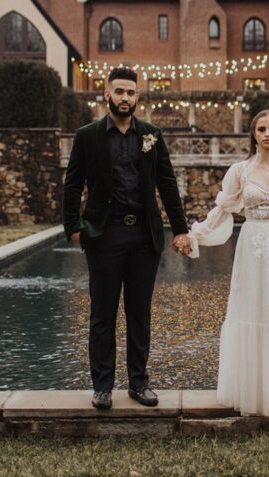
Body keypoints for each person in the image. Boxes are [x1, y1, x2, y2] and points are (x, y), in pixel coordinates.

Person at [176, 109, 269, 416]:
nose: (267, 134)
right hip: (251, 248)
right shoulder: (240, 171)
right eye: (261, 129)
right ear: (254, 134)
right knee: (251, 313)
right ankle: (253, 389)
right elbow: (223, 210)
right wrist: (197, 235)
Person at [62, 66, 191, 410]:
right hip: (104, 234)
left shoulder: (151, 135)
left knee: (140, 313)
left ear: (137, 97)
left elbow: (168, 184)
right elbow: (73, 184)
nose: (125, 98)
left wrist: (180, 228)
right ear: (106, 94)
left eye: (131, 93)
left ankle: (139, 383)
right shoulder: (87, 136)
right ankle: (102, 386)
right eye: (119, 92)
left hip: (143, 236)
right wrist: (72, 225)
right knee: (102, 313)